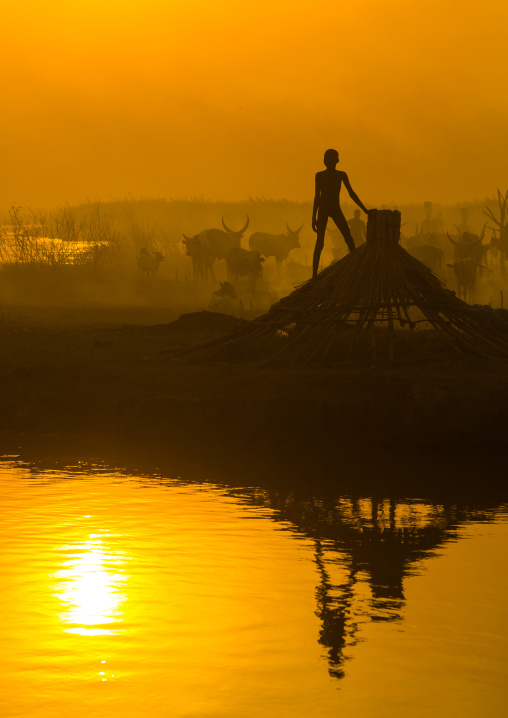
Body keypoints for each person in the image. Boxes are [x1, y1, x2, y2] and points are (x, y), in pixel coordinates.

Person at [311, 148, 370, 277]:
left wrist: (365, 210)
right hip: (324, 209)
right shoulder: (319, 175)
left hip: (334, 208)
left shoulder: (341, 175)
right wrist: (313, 217)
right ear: (325, 161)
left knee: (348, 238)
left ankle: (356, 269)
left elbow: (351, 193)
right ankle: (314, 274)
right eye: (329, 160)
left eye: (333, 159)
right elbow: (317, 197)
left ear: (337, 160)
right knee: (320, 242)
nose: (331, 162)